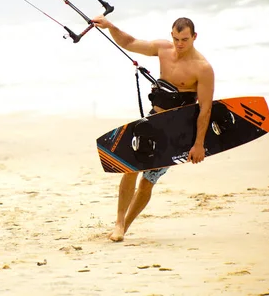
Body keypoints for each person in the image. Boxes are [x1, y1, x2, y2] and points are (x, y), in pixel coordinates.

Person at [92, 15, 215, 242]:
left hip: (177, 133)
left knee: (148, 181)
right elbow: (129, 43)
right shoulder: (163, 50)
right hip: (152, 122)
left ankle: (125, 226)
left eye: (185, 39)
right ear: (171, 35)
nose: (179, 44)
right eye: (176, 38)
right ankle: (118, 223)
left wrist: (199, 145)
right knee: (130, 167)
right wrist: (111, 26)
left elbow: (205, 110)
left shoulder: (203, 69)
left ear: (194, 37)